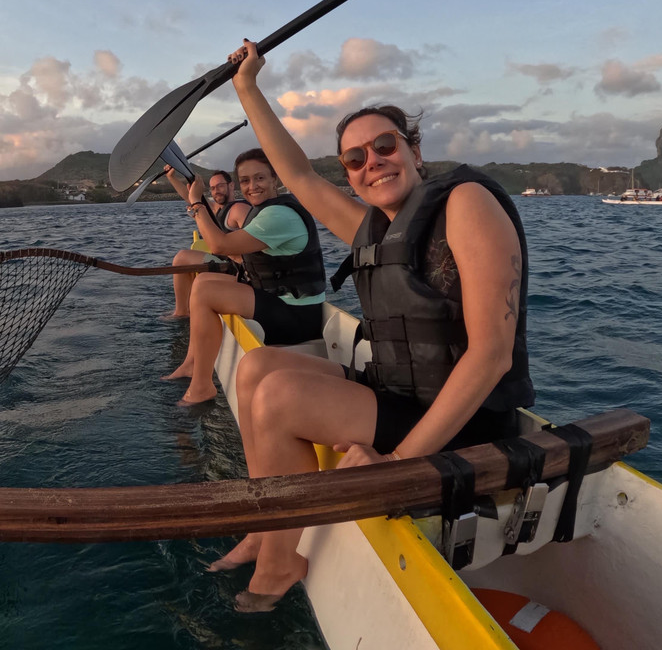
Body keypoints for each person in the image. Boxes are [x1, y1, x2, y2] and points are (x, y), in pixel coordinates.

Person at [215, 39, 534, 613]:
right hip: (399, 391)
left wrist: (396, 462)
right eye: (355, 159)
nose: (372, 163)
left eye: (384, 146)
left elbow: (492, 356)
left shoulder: (465, 203)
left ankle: (281, 561)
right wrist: (247, 87)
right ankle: (270, 529)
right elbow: (295, 173)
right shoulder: (373, 228)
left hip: (468, 422)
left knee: (281, 396)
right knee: (258, 365)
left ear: (413, 149)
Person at [162, 148, 327, 406]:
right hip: (280, 301)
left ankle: (202, 386)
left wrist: (195, 204)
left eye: (260, 178)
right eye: (246, 181)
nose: (252, 186)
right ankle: (193, 364)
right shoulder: (263, 211)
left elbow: (218, 246)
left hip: (298, 316)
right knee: (205, 282)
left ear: (275, 179)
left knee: (205, 292)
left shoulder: (278, 215)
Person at [161, 167, 250, 319]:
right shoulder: (217, 209)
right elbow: (192, 199)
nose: (216, 191)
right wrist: (172, 178)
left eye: (220, 186)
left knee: (198, 280)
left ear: (231, 186)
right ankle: (182, 312)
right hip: (225, 261)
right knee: (181, 257)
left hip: (240, 269)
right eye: (213, 188)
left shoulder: (239, 210)